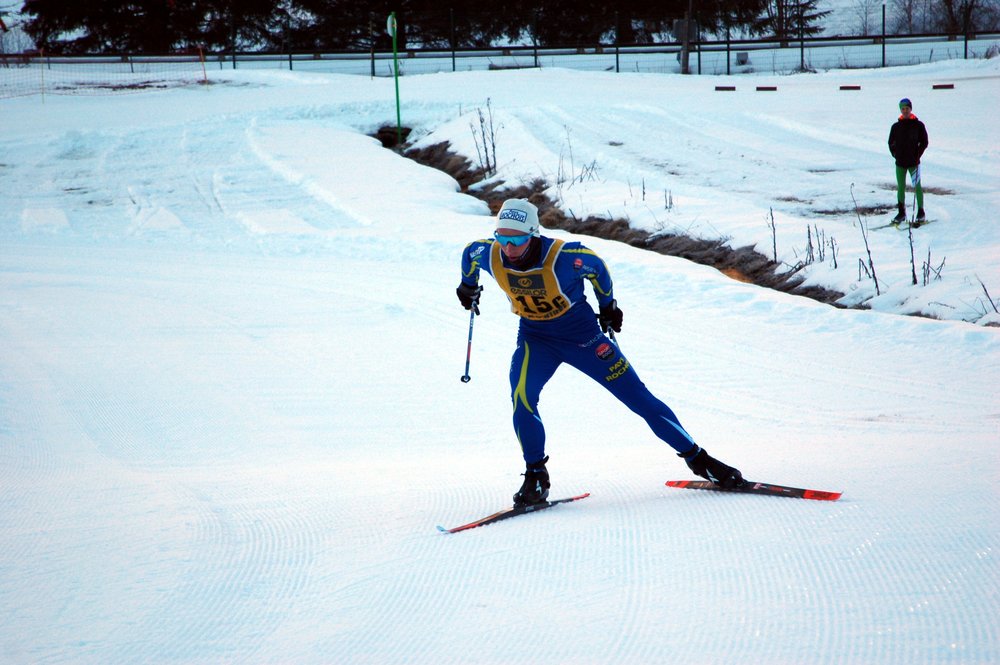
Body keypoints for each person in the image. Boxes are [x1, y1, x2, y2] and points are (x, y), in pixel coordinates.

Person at [456, 198, 744, 506]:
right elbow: (469, 256)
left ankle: (699, 460)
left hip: (585, 340)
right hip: (535, 339)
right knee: (522, 398)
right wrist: (467, 286)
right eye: (502, 237)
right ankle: (536, 476)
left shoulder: (568, 257)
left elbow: (599, 270)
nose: (508, 248)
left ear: (533, 234)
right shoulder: (487, 252)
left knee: (639, 399)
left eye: (517, 240)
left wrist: (608, 306)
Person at [888, 97, 929, 224]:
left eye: (907, 109)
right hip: (900, 163)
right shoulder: (896, 126)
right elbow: (890, 143)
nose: (905, 111)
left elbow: (924, 142)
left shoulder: (918, 125)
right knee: (901, 187)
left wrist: (918, 154)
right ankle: (901, 212)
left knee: (917, 186)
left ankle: (921, 212)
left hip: (914, 163)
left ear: (911, 109)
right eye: (903, 109)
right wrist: (895, 154)